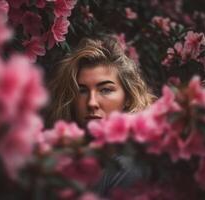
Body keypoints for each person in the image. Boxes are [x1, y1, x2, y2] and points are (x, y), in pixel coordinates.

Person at [46, 35, 156, 196]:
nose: (91, 103)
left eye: (105, 90)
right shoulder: (58, 160)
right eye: (81, 91)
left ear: (127, 98)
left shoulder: (129, 167)